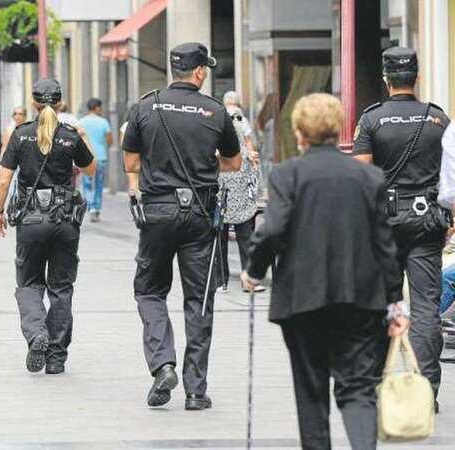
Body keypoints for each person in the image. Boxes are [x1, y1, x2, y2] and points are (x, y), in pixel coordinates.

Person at [242, 93, 410, 450]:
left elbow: (272, 230)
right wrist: (395, 302)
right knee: (359, 388)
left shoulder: (288, 175)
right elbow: (385, 245)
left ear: (299, 133)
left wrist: (253, 272)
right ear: (338, 129)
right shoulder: (369, 177)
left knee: (311, 391)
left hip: (303, 299)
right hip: (359, 298)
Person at [123, 42, 241, 410]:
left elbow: (131, 163)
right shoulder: (215, 111)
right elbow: (234, 163)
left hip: (157, 211)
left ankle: (163, 364)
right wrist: (206, 163)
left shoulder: (146, 107)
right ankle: (195, 391)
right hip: (200, 214)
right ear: (200, 72)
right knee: (199, 300)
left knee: (149, 291)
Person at [352, 47, 451, 405]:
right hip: (428, 222)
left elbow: (362, 177)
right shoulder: (438, 119)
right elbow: (451, 175)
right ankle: (426, 392)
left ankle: (378, 385)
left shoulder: (372, 120)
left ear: (386, 79)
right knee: (425, 307)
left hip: (384, 224)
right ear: (417, 77)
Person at [0, 79, 96, 374]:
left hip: (31, 219)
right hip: (65, 219)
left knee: (29, 283)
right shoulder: (69, 135)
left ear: (33, 103)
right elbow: (91, 170)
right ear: (61, 103)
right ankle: (56, 357)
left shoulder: (21, 134)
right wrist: (83, 136)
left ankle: (37, 332)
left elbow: (4, 180)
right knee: (61, 288)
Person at [217, 91, 262, 293]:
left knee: (222, 237)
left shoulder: (217, 147)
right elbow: (255, 179)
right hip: (236, 201)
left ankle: (222, 281)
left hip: (225, 200)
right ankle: (246, 280)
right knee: (242, 237)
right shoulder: (244, 149)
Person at [78, 98, 112, 222]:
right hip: (101, 157)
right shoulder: (104, 122)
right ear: (97, 108)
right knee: (99, 184)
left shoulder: (81, 122)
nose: (101, 110)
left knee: (86, 184)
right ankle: (97, 209)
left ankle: (91, 208)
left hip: (86, 158)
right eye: (100, 107)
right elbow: (110, 141)